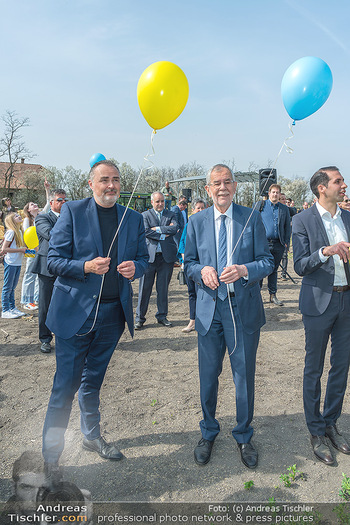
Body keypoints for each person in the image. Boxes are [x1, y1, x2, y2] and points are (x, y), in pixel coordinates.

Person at [41, 160, 148, 483]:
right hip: (75, 315)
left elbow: (143, 258)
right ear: (91, 184)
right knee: (65, 387)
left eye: (116, 180)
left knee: (93, 382)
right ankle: (51, 458)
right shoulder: (72, 212)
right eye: (104, 180)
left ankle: (91, 435)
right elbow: (54, 261)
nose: (111, 186)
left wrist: (136, 269)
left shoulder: (132, 218)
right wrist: (85, 267)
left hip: (113, 315)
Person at [185, 164, 274, 469]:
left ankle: (244, 435)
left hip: (242, 309)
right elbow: (189, 264)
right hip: (210, 311)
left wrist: (245, 270)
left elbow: (268, 261)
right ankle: (208, 431)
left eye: (227, 182)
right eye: (215, 183)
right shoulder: (195, 222)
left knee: (243, 376)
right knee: (208, 377)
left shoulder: (251, 217)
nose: (222, 188)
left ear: (235, 186)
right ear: (207, 189)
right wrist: (202, 271)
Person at [292, 166, 350, 466]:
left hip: (347, 301)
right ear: (321, 188)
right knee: (313, 368)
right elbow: (300, 265)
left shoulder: (349, 217)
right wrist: (326, 251)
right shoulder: (302, 220)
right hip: (317, 304)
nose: (343, 185)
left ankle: (330, 423)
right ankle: (315, 432)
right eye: (338, 181)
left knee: (341, 366)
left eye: (342, 180)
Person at [31, 189, 67, 353]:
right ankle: (45, 339)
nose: (63, 203)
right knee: (45, 306)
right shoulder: (42, 218)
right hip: (46, 269)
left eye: (65, 200)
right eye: (59, 200)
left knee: (65, 305)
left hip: (66, 267)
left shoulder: (70, 218)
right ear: (51, 202)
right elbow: (50, 234)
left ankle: (63, 336)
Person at [135, 191, 177, 329]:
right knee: (144, 289)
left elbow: (175, 229)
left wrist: (158, 229)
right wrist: (164, 234)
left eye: (162, 201)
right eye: (157, 201)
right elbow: (146, 231)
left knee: (163, 288)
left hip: (166, 259)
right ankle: (140, 318)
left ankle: (162, 316)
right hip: (149, 258)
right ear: (152, 202)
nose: (160, 204)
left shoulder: (171, 214)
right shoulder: (144, 216)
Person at [258, 184, 291, 305]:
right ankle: (257, 296)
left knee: (274, 270)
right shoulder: (260, 206)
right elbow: (252, 223)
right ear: (269, 193)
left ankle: (273, 295)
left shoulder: (284, 208)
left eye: (277, 192)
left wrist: (286, 242)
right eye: (273, 192)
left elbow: (287, 226)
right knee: (260, 270)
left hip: (278, 244)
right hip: (263, 244)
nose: (275, 194)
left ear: (280, 194)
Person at [20, 183, 51, 310]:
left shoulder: (42, 215)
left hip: (41, 249)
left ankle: (37, 299)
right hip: (32, 250)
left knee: (39, 274)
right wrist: (34, 247)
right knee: (29, 274)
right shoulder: (27, 220)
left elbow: (49, 202)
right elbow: (27, 236)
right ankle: (26, 300)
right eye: (32, 204)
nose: (35, 205)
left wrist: (47, 189)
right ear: (28, 209)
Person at [178, 198, 206, 333]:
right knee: (192, 293)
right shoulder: (188, 225)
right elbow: (182, 242)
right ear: (193, 210)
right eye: (198, 208)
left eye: (203, 208)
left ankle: (204, 321)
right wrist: (184, 257)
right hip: (190, 265)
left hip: (203, 266)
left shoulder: (209, 225)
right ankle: (192, 321)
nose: (200, 210)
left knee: (204, 293)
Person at [1, 213, 27, 319]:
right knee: (7, 287)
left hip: (17, 262)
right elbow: (4, 249)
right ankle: (5, 309)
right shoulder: (11, 232)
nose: (19, 216)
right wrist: (20, 250)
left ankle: (12, 308)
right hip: (10, 262)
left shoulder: (20, 231)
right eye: (16, 216)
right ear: (11, 221)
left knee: (13, 287)